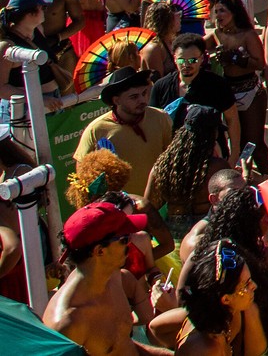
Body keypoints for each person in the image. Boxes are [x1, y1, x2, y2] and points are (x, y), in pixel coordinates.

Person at [45, 201, 167, 356]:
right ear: (99, 251)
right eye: (124, 239)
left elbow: (121, 345)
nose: (130, 242)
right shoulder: (68, 323)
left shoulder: (114, 277)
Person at [75, 66, 174, 187]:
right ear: (117, 101)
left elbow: (174, 157)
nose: (142, 100)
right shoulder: (96, 129)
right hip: (120, 204)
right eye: (134, 97)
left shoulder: (160, 118)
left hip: (159, 201)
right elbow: (82, 171)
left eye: (144, 93)